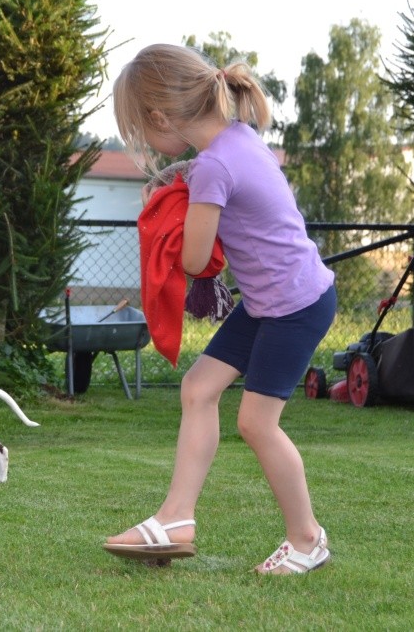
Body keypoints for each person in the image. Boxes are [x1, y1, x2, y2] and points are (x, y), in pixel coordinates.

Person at [102, 44, 337, 574]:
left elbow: (192, 258)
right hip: (271, 301)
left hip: (294, 306)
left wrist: (166, 210)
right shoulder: (239, 138)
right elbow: (217, 173)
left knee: (257, 423)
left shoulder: (214, 168)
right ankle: (176, 518)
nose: (147, 142)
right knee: (198, 387)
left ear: (162, 117)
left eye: (143, 128)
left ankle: (307, 539)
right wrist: (183, 176)